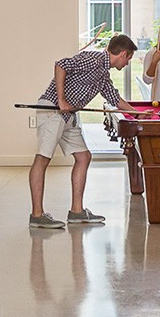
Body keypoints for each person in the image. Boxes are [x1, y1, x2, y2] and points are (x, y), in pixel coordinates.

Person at [28, 34, 136, 229]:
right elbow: (61, 65)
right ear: (123, 53)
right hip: (52, 109)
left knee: (84, 156)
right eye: (128, 58)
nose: (128, 63)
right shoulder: (92, 59)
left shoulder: (103, 74)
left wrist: (137, 114)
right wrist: (61, 99)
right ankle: (36, 215)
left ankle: (77, 212)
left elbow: (115, 99)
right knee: (42, 158)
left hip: (68, 115)